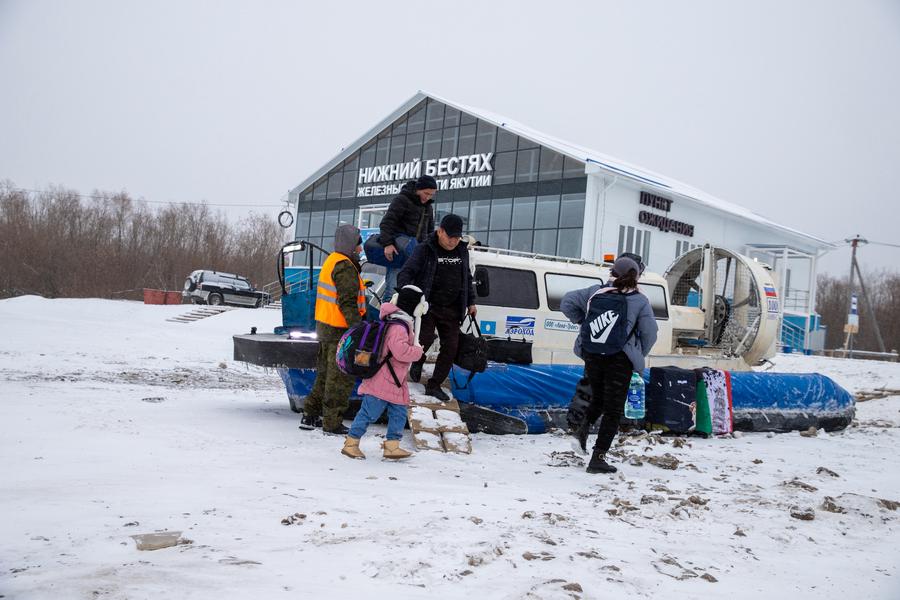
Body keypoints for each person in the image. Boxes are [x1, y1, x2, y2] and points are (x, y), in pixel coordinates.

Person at [560, 255, 658, 474]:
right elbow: (651, 333)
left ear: (612, 272)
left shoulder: (595, 292)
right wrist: (637, 352)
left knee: (598, 398)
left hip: (593, 354)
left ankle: (581, 430)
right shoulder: (639, 299)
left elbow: (566, 302)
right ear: (637, 276)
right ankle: (598, 458)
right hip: (620, 359)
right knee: (613, 410)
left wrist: (585, 323)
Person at [341, 285, 428, 460]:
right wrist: (417, 352)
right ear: (415, 307)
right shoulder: (398, 327)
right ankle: (351, 443)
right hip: (383, 379)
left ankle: (392, 446)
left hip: (395, 379)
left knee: (399, 413)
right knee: (369, 413)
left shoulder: (400, 323)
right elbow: (400, 352)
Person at [398, 213, 476, 402]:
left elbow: (467, 277)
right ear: (440, 231)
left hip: (452, 307)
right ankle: (418, 362)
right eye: (450, 237)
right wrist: (406, 292)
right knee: (423, 338)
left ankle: (434, 385)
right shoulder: (425, 249)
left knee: (451, 347)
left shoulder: (461, 251)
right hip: (428, 306)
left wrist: (471, 302)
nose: (453, 241)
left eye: (457, 237)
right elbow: (407, 271)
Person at [301, 224, 367, 435]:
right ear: (350, 245)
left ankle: (310, 415)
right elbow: (347, 302)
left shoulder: (331, 261)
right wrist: (357, 329)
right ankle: (332, 422)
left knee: (324, 375)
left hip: (325, 327)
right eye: (358, 244)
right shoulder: (345, 266)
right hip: (340, 329)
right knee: (340, 378)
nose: (360, 248)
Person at [377, 175, 437, 298]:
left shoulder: (428, 207)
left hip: (417, 255)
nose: (428, 197)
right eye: (426, 193)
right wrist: (388, 244)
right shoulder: (402, 200)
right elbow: (386, 223)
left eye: (431, 194)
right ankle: (388, 315)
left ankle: (405, 315)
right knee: (393, 290)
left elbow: (430, 232)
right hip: (399, 251)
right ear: (418, 189)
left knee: (413, 292)